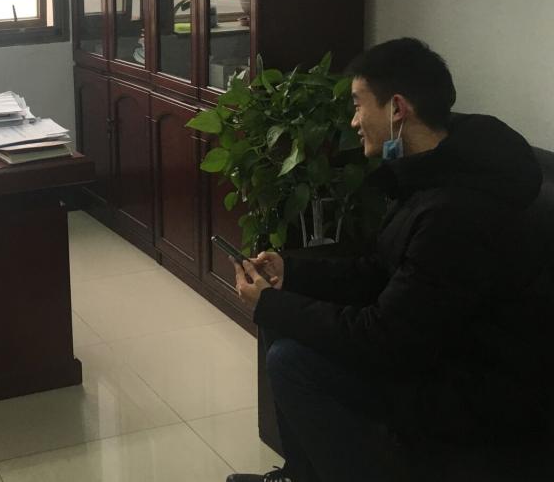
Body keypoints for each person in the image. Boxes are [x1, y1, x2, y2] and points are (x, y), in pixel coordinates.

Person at [226, 38, 547, 482]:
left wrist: (273, 304)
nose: (353, 121)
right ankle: (302, 474)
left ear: (397, 108)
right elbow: (378, 270)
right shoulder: (429, 175)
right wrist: (291, 273)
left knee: (291, 360)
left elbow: (388, 340)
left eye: (358, 105)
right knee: (282, 317)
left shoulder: (455, 213)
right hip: (433, 348)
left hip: (473, 385)